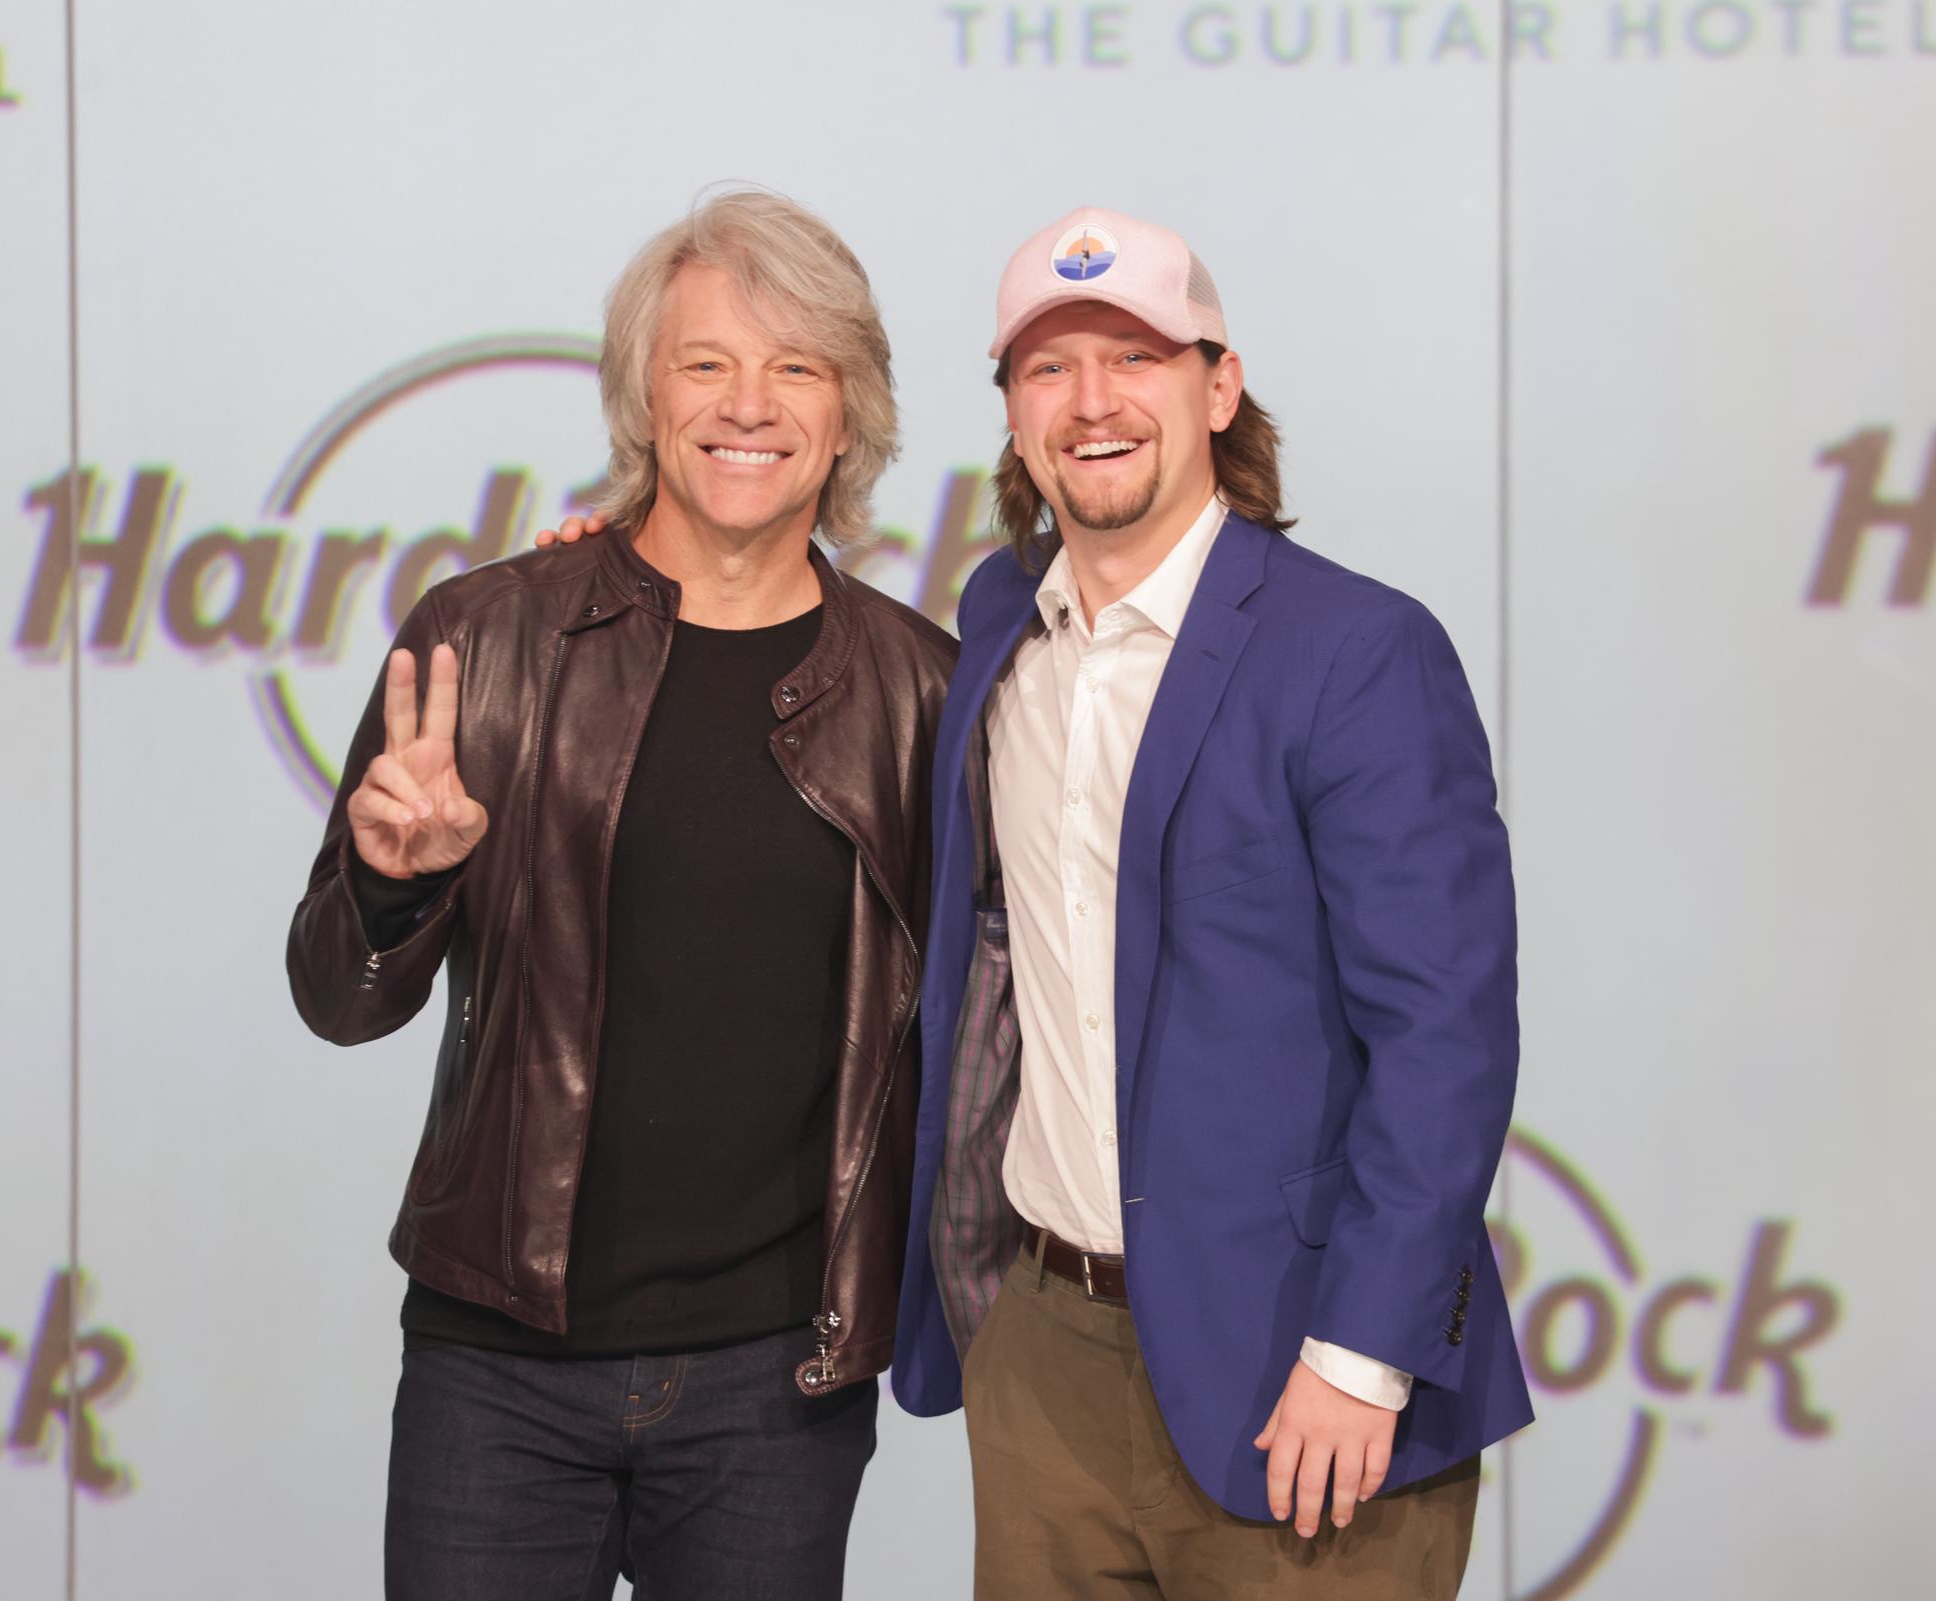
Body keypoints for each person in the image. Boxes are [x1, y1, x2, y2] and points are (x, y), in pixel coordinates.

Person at [286, 189, 954, 1601]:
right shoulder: (488, 636)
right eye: (706, 361)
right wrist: (396, 885)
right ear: (645, 395)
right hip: (500, 1372)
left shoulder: (921, 689)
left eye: (797, 366)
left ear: (851, 413)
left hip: (777, 1382)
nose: (748, 404)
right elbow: (335, 994)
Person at [885, 207, 1534, 1598]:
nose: (1095, 401)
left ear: (1218, 386)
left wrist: (1361, 1354)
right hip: (1045, 1355)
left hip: (1301, 1373)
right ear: (1011, 414)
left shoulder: (1357, 651)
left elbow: (1446, 1037)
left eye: (1137, 356)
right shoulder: (999, 620)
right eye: (1050, 369)